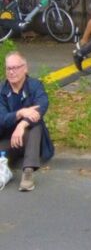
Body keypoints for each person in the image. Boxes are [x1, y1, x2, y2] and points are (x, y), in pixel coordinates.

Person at [0, 52, 54, 192]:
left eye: (16, 68)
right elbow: (2, 118)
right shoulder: (2, 90)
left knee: (35, 125)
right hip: (8, 139)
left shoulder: (35, 86)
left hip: (31, 137)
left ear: (25, 68)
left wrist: (22, 125)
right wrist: (20, 113)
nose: (12, 72)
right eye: (8, 68)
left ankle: (28, 172)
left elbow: (41, 107)